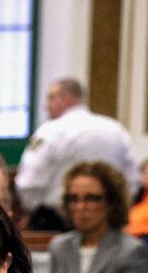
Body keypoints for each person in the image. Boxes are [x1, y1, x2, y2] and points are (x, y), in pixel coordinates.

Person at [17, 78, 138, 229]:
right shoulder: (116, 130)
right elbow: (132, 180)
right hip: (108, 221)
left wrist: (33, 211)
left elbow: (29, 182)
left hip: (56, 222)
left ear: (66, 98)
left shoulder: (50, 131)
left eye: (51, 97)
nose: (46, 106)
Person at [48, 161, 148, 273]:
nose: (80, 207)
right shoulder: (59, 247)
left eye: (92, 198)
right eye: (73, 199)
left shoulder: (132, 252)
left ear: (111, 202)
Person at [127, 159, 148, 237]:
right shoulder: (139, 196)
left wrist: (133, 229)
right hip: (131, 237)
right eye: (144, 173)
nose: (146, 176)